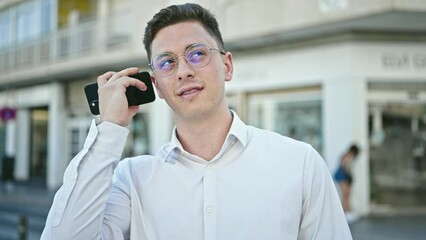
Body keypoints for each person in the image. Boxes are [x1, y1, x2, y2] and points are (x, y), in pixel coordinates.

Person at [41, 3, 352, 239]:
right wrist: (109, 129)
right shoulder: (131, 179)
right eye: (167, 62)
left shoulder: (300, 164)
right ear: (157, 85)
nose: (183, 71)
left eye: (197, 54)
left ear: (227, 66)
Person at [334, 144, 360, 213]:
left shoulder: (347, 154)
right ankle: (346, 211)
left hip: (343, 175)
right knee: (345, 194)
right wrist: (349, 176)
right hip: (341, 175)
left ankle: (347, 210)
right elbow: (345, 166)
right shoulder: (348, 155)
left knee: (346, 194)